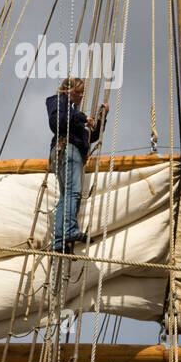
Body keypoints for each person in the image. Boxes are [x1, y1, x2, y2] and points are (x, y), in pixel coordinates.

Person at [46, 77, 108, 253]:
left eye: (83, 92)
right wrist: (83, 117)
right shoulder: (58, 101)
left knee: (66, 196)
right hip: (67, 149)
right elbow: (57, 123)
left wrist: (102, 117)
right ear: (68, 90)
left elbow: (90, 137)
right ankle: (69, 229)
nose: (81, 95)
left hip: (69, 151)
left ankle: (59, 240)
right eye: (78, 92)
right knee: (72, 192)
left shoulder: (73, 115)